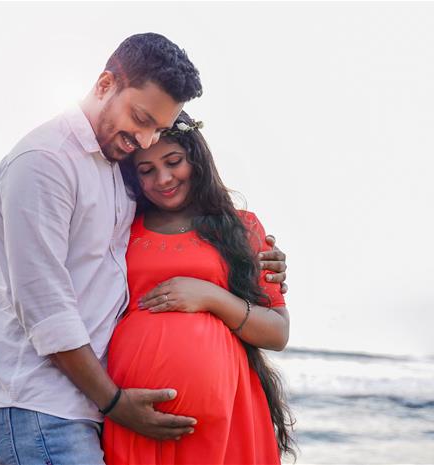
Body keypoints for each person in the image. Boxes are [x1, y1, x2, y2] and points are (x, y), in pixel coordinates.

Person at [0, 33, 289, 465]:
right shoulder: (44, 163)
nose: (144, 140)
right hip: (41, 404)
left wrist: (243, 271)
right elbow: (46, 308)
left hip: (86, 408)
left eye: (158, 129)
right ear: (105, 84)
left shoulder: (112, 166)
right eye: (140, 118)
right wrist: (115, 402)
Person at [102, 111, 296, 464]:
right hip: (132, 415)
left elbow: (277, 333)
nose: (163, 178)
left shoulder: (242, 228)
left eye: (173, 162)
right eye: (146, 171)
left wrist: (211, 296)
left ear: (197, 157)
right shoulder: (121, 229)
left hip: (227, 416)